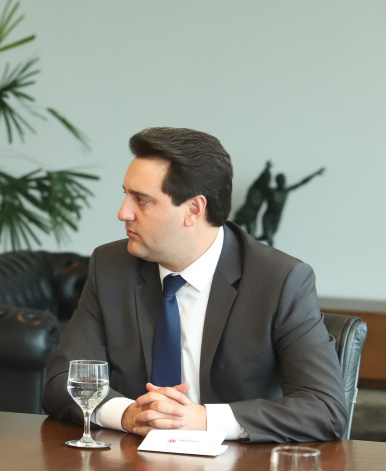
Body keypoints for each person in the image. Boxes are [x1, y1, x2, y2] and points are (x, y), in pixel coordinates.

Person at [41, 127, 346, 443]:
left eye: (142, 200)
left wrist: (204, 419)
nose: (123, 213)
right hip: (132, 468)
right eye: (126, 195)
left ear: (194, 210)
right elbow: (62, 382)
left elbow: (325, 408)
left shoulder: (279, 280)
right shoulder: (111, 267)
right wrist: (129, 414)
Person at [260, 168, 325, 246]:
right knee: (269, 238)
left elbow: (302, 183)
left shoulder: (286, 191)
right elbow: (262, 183)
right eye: (280, 180)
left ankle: (252, 241)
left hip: (277, 217)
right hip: (268, 217)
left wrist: (315, 174)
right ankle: (272, 255)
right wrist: (266, 169)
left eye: (283, 180)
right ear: (277, 181)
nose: (282, 182)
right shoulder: (271, 191)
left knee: (267, 236)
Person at [231, 160, 272, 236]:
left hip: (250, 216)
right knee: (230, 231)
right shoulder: (256, 190)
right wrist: (266, 170)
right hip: (247, 214)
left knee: (250, 238)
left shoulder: (260, 191)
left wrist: (267, 169)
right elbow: (260, 180)